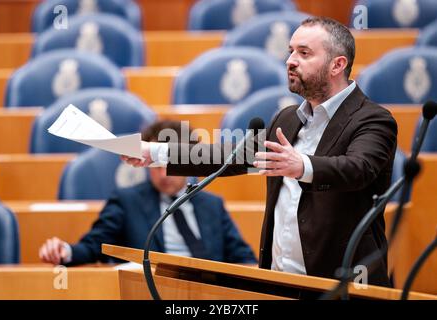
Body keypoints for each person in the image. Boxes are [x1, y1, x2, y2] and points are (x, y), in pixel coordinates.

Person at [121, 17, 397, 287]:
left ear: (338, 64)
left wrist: (301, 165)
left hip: (343, 285)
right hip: (279, 283)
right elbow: (232, 158)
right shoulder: (288, 119)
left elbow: (358, 169)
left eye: (304, 53)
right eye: (291, 51)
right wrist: (154, 152)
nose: (290, 60)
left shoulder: (372, 119)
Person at [39, 120, 257, 266]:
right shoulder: (126, 201)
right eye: (157, 165)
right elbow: (94, 246)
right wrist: (65, 251)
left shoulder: (212, 205)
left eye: (172, 164)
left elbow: (243, 258)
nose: (164, 173)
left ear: (191, 163)